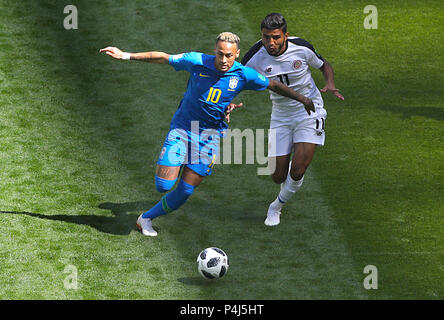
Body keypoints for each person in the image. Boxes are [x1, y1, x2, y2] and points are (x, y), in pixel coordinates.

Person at [99, 32, 315, 236]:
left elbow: (274, 85)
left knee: (185, 190)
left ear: (237, 54)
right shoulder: (196, 61)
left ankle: (145, 219)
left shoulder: (243, 74)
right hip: (183, 129)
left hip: (209, 137)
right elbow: (164, 58)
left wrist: (303, 99)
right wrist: (125, 55)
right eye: (220, 54)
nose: (223, 59)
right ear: (215, 50)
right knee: (163, 185)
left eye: (229, 55)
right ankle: (178, 157)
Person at [240, 13, 344, 226]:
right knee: (278, 176)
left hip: (310, 110)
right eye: (266, 37)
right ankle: (285, 180)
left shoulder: (301, 47)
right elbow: (236, 79)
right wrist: (228, 102)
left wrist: (330, 83)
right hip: (281, 114)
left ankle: (276, 206)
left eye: (276, 37)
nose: (271, 42)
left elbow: (323, 65)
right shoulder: (254, 57)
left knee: (298, 170)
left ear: (285, 35)